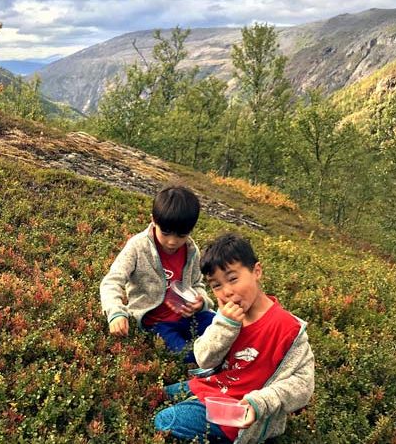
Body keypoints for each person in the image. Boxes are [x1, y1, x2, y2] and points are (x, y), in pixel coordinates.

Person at [154, 233, 315, 443]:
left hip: (239, 411)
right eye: (216, 285)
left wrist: (261, 403)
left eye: (233, 279)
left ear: (256, 271)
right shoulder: (225, 316)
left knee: (166, 420)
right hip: (213, 387)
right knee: (156, 395)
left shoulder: (288, 328)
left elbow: (303, 384)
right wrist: (225, 325)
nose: (226, 292)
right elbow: (204, 359)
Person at [100, 185, 216, 362]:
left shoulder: (192, 250)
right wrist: (116, 312)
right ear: (154, 220)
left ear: (191, 230)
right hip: (156, 323)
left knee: (224, 329)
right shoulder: (137, 247)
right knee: (188, 355)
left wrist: (201, 303)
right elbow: (111, 281)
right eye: (166, 232)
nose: (172, 241)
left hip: (189, 316)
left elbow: (197, 284)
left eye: (181, 235)